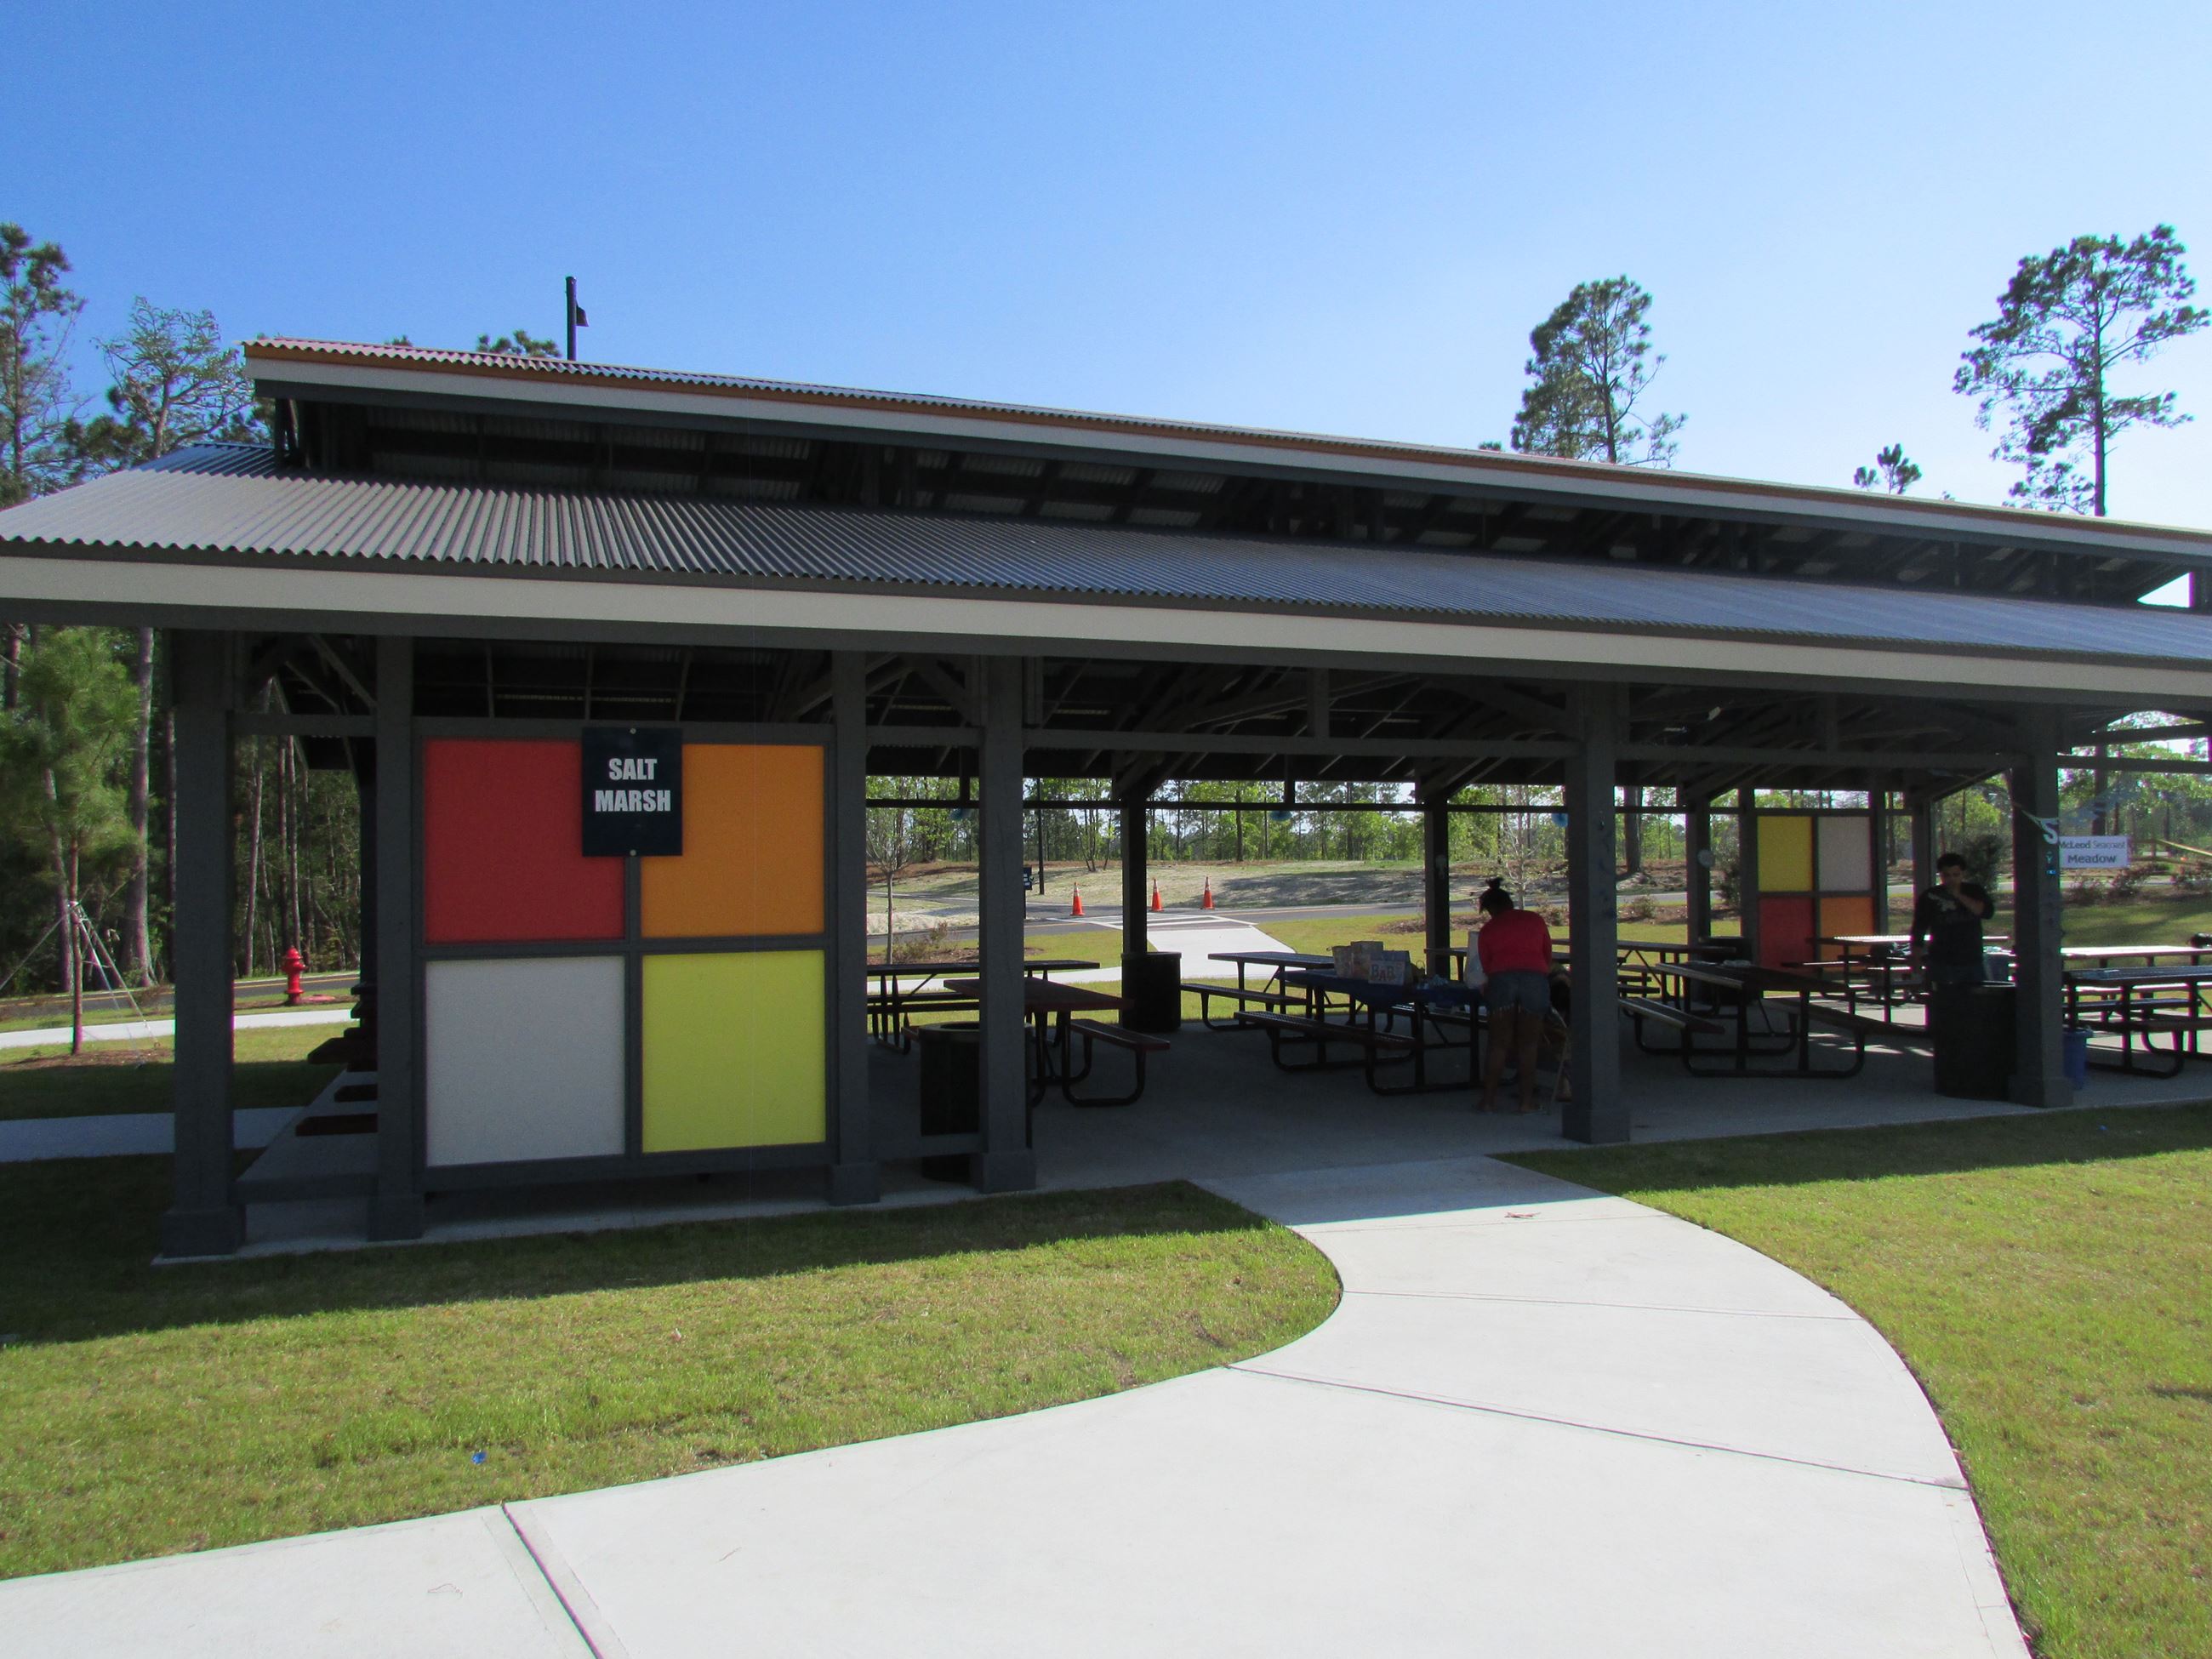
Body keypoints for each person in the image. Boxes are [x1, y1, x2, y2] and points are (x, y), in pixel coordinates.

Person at [1474, 878, 1553, 1114]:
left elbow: (1487, 964)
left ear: (1490, 909)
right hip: (1534, 980)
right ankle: (1526, 1102)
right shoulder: (1534, 920)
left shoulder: (1488, 930)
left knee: (1498, 1044)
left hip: (1501, 980)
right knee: (1529, 1045)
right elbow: (1546, 953)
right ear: (1510, 902)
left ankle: (1488, 1101)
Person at [1911, 852, 1996, 989]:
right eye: (1947, 875)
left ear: (1962, 874)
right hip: (1941, 959)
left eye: (1956, 875)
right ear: (1941, 875)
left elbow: (1985, 912)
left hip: (1971, 959)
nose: (1951, 879)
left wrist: (1958, 895)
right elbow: (1919, 927)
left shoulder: (1974, 891)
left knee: (1975, 1003)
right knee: (1941, 1003)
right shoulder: (1929, 896)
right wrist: (1916, 956)